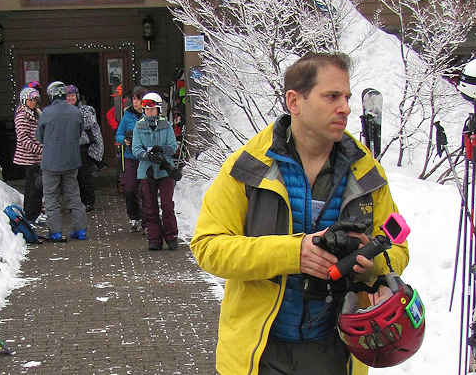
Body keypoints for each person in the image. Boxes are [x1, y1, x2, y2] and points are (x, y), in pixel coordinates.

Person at [190, 53, 409, 375]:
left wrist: (372, 261)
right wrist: (294, 253)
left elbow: (398, 250)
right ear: (294, 101)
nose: (345, 107)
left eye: (347, 97)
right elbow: (208, 247)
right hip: (260, 354)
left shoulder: (366, 172)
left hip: (335, 351)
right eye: (332, 96)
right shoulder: (248, 167)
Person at [36, 81, 87, 242]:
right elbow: (79, 133)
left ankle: (56, 232)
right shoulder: (75, 112)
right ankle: (80, 231)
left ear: (51, 95)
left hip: (51, 163)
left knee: (51, 197)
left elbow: (40, 137)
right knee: (74, 196)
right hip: (71, 161)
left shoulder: (46, 113)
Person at [131, 92, 178, 251]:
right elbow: (136, 148)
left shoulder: (167, 125)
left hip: (165, 170)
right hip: (147, 170)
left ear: (158, 109)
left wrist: (161, 150)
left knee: (167, 204)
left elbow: (173, 147)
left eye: (152, 109)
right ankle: (154, 238)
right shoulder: (139, 126)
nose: (149, 112)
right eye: (146, 109)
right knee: (149, 206)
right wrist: (147, 155)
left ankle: (171, 236)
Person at [66, 85, 103, 212]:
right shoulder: (63, 111)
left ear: (77, 96)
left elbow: (88, 123)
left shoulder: (86, 110)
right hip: (69, 148)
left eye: (72, 95)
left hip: (84, 147)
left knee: (84, 175)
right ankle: (76, 202)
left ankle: (88, 201)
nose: (70, 98)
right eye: (68, 96)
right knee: (72, 177)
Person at [115, 86, 147, 232]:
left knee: (145, 189)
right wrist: (124, 140)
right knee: (129, 188)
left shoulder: (149, 113)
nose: (135, 102)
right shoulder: (127, 115)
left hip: (145, 157)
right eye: (134, 99)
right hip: (130, 156)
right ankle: (134, 216)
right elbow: (118, 134)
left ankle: (147, 219)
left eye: (138, 99)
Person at [13, 86, 44, 224]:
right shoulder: (22, 116)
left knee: (36, 187)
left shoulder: (36, 113)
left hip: (37, 158)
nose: (34, 102)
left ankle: (34, 213)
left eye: (35, 100)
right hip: (29, 158)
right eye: (31, 100)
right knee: (33, 187)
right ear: (24, 100)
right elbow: (23, 139)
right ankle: (31, 215)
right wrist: (39, 149)